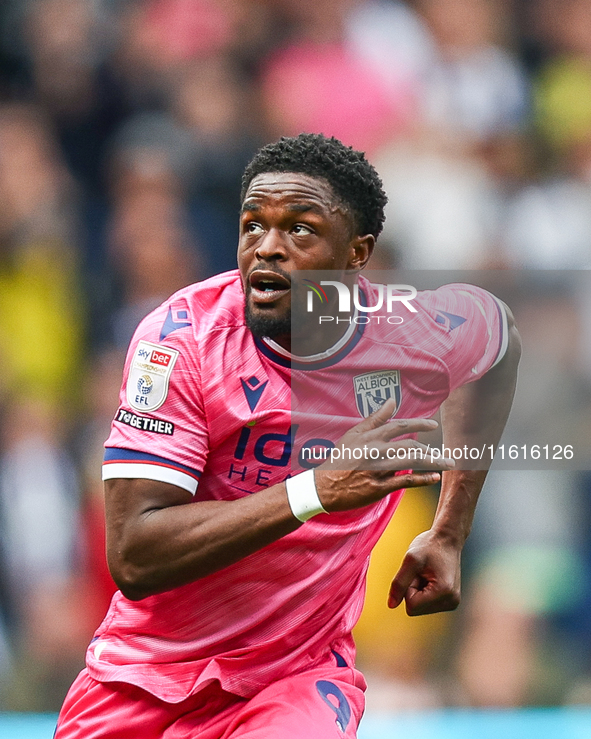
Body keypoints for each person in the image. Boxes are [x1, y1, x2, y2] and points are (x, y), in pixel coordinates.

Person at [55, 133, 520, 738]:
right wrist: (318, 489)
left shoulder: (413, 334)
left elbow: (500, 339)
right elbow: (135, 555)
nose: (266, 249)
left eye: (299, 230)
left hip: (295, 680)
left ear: (357, 253)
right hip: (143, 678)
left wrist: (449, 531)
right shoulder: (181, 341)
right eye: (253, 226)